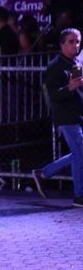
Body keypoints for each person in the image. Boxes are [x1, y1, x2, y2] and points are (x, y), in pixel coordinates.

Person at [32, 28, 83, 207]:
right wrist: (69, 88)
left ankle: (44, 173)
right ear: (62, 44)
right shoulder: (55, 66)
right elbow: (53, 95)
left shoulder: (76, 63)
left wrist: (74, 88)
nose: (75, 45)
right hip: (66, 115)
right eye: (71, 41)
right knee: (80, 154)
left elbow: (77, 89)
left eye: (77, 41)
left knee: (79, 153)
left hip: (78, 113)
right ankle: (79, 196)